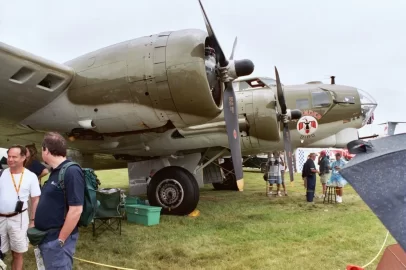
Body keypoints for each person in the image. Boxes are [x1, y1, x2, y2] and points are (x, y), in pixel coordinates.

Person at [34, 132, 85, 269]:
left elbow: (76, 210)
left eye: (42, 149)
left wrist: (60, 240)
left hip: (57, 240)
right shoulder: (55, 172)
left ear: (46, 150)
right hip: (47, 238)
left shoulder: (71, 171)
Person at [0, 145, 41, 270]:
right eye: (9, 156)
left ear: (23, 157)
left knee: (17, 253)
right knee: (2, 252)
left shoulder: (31, 176)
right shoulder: (2, 174)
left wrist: (33, 221)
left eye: (14, 157)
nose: (10, 159)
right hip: (1, 219)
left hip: (18, 219)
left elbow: (35, 200)